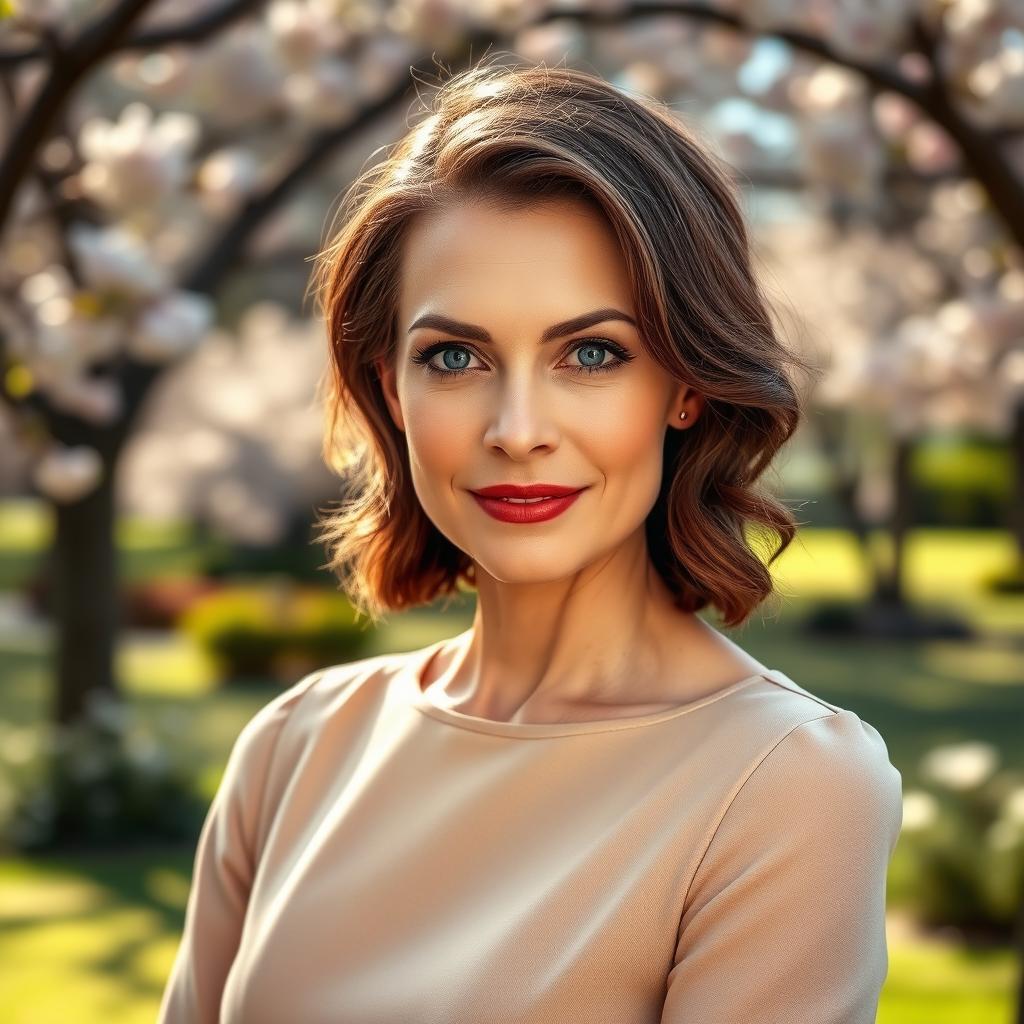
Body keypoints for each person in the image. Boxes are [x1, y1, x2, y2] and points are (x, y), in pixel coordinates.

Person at [158, 56, 903, 1024]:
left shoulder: (791, 786)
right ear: (391, 386)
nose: (516, 428)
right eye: (454, 357)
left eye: (590, 353)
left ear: (684, 384)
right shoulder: (294, 746)